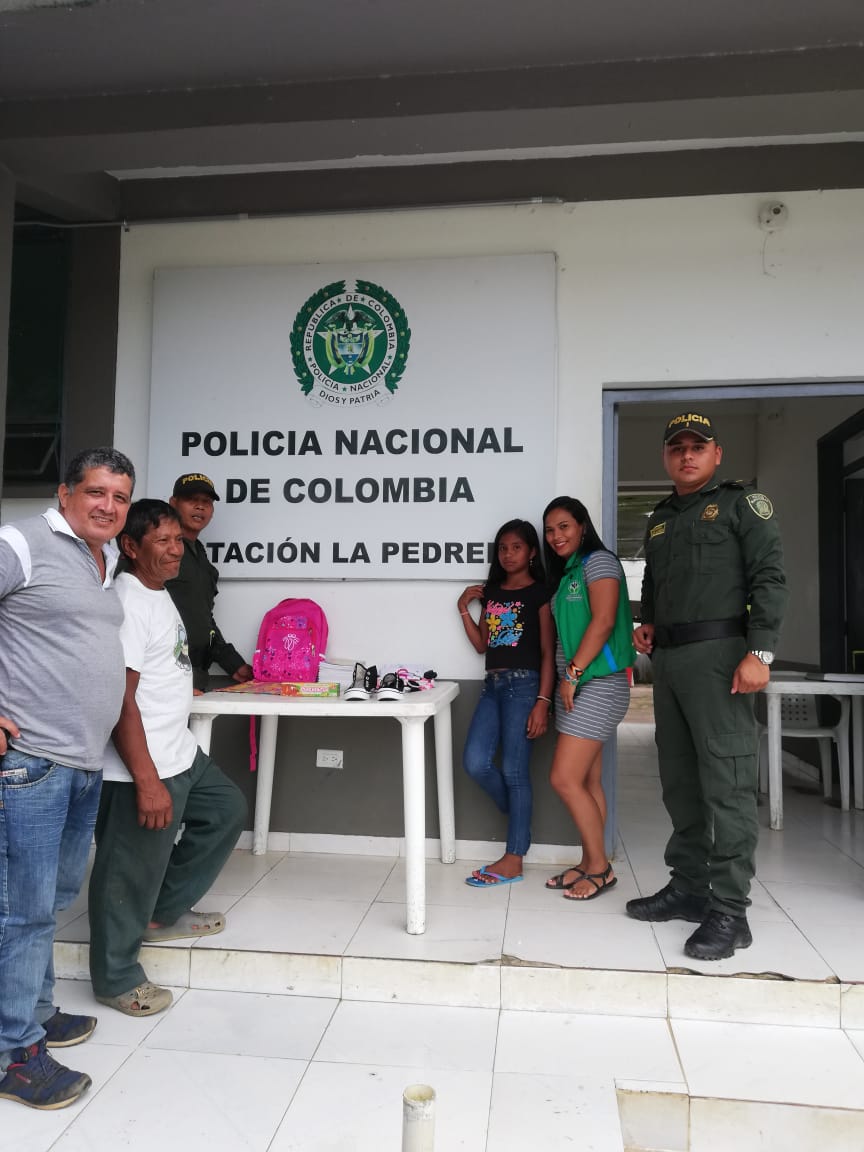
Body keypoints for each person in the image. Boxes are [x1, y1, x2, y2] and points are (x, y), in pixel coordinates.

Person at [0, 447, 135, 1110]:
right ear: (65, 493)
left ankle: (35, 1010)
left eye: (120, 497)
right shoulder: (22, 543)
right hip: (31, 762)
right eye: (96, 492)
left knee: (49, 901)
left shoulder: (100, 560)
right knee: (21, 911)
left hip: (80, 763)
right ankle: (13, 1053)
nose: (108, 506)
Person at [627, 412, 787, 960]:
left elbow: (770, 576)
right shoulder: (661, 518)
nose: (687, 455)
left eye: (698, 446)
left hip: (721, 658)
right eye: (677, 447)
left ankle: (731, 911)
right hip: (670, 662)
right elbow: (655, 581)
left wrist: (760, 651)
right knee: (679, 781)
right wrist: (648, 621)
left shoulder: (742, 505)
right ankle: (690, 887)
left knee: (728, 783)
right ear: (666, 457)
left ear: (717, 454)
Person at [88, 499, 247, 1016]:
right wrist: (146, 780)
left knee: (224, 810)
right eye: (163, 540)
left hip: (179, 752)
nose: (176, 549)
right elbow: (120, 700)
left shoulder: (159, 592)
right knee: (126, 871)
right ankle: (115, 977)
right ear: (131, 547)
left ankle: (161, 912)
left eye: (178, 540)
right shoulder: (128, 603)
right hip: (142, 763)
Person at [543, 497, 635, 901]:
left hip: (598, 682)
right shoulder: (570, 572)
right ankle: (589, 860)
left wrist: (573, 673)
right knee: (587, 780)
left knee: (563, 778)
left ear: (582, 526)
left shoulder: (599, 562)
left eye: (564, 526)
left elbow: (604, 620)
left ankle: (600, 869)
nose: (556, 536)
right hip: (578, 685)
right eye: (550, 530)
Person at [459, 520, 555, 886]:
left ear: (531, 552)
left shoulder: (539, 593)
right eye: (502, 548)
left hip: (525, 687)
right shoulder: (494, 593)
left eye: (516, 547)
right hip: (492, 687)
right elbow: (482, 645)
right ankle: (517, 813)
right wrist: (463, 608)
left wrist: (543, 701)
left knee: (515, 772)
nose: (508, 554)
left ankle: (514, 858)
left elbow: (547, 652)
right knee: (474, 762)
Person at [166, 473, 253, 693]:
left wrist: (231, 662)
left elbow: (202, 619)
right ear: (173, 503)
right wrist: (179, 681)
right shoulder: (157, 550)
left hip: (194, 678)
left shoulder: (199, 555)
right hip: (168, 680)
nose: (200, 507)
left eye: (206, 502)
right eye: (191, 500)